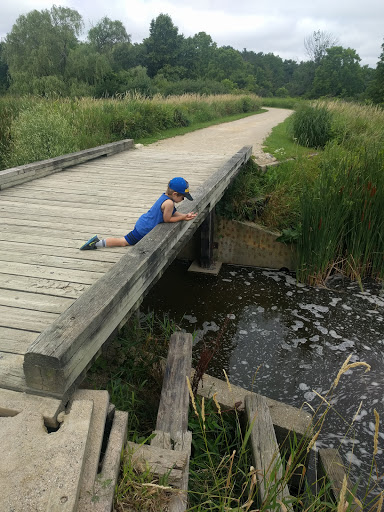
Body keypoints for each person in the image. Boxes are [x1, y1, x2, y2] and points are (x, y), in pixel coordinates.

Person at [80, 177, 197, 250]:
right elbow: (168, 219)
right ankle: (97, 244)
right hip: (145, 229)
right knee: (123, 242)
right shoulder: (169, 203)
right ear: (175, 194)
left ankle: (98, 243)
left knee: (125, 240)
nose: (183, 200)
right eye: (183, 197)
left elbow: (173, 213)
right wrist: (182, 218)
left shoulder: (166, 198)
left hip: (144, 222)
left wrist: (184, 215)